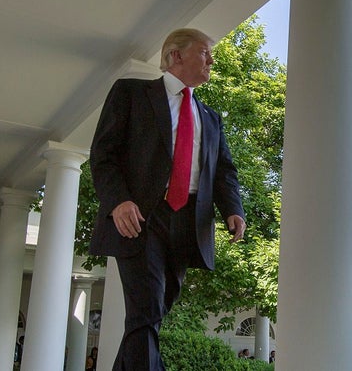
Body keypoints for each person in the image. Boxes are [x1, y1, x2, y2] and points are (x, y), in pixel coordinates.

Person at [89, 28, 246, 370]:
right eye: (205, 52)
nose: (212, 60)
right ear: (175, 55)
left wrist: (234, 210)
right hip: (140, 217)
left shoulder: (211, 119)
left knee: (152, 312)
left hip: (187, 222)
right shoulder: (131, 93)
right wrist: (118, 200)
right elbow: (103, 154)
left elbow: (224, 172)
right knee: (146, 308)